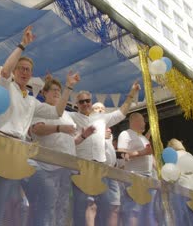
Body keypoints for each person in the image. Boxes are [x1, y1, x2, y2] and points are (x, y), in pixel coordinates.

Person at [0, 26, 81, 226]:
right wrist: (22, 45)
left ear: (31, 75)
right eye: (21, 68)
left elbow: (57, 112)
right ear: (15, 71)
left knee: (46, 191)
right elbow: (4, 71)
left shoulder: (31, 100)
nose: (24, 72)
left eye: (28, 70)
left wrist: (69, 87)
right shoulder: (7, 86)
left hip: (22, 150)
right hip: (2, 146)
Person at [27, 78, 95, 226]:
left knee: (62, 207)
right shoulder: (42, 108)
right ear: (44, 93)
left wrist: (84, 136)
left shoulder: (65, 115)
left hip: (66, 168)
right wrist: (59, 128)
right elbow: (36, 129)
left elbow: (70, 142)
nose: (57, 93)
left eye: (59, 90)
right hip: (48, 167)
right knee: (47, 206)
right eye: (54, 90)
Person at [70, 85, 140, 226]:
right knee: (82, 208)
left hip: (102, 168)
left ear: (90, 101)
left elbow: (121, 113)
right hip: (82, 167)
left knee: (108, 207)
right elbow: (56, 110)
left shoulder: (101, 118)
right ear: (76, 104)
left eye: (87, 101)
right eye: (81, 102)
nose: (85, 104)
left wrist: (131, 94)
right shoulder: (71, 116)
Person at [117, 112, 155, 226]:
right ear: (136, 121)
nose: (144, 123)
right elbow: (120, 153)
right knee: (133, 209)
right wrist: (142, 152)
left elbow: (149, 156)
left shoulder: (143, 138)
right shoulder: (125, 134)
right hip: (134, 176)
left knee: (147, 210)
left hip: (148, 177)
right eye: (143, 120)